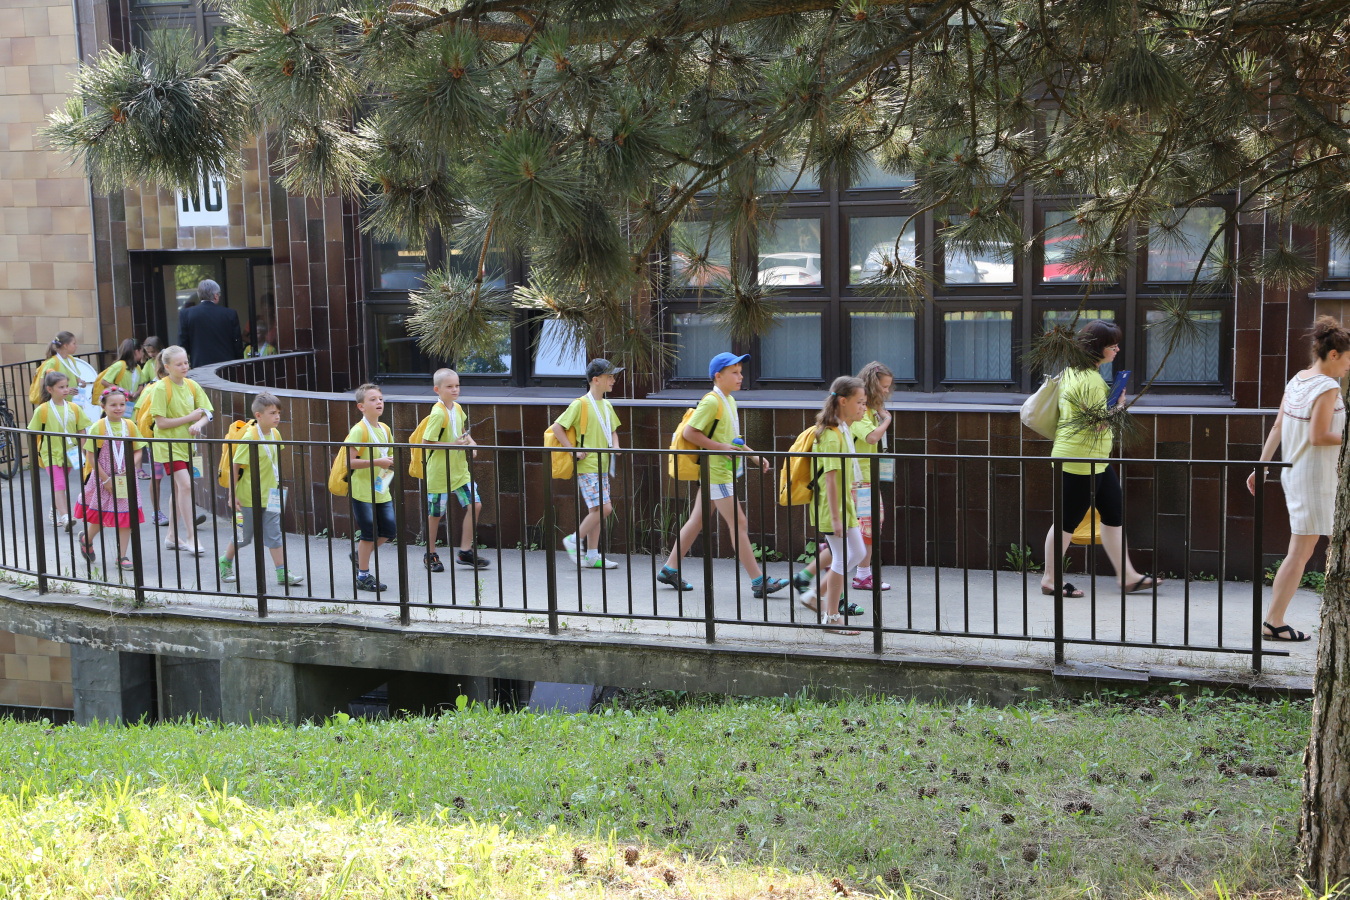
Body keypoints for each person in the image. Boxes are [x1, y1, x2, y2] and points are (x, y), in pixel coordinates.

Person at [1247, 316, 1350, 641]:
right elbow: (1318, 436)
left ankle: (1274, 621)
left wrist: (1262, 466)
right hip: (1318, 481)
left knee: (1301, 552)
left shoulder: (1298, 380)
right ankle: (1274, 621)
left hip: (1300, 476)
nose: (1349, 366)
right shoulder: (1327, 386)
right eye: (1348, 359)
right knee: (1305, 552)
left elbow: (1279, 425)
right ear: (1333, 354)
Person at [657, 352, 790, 598]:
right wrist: (720, 448)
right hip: (716, 473)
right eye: (734, 372)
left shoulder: (728, 400)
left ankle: (669, 569)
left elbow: (732, 439)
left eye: (741, 372)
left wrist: (752, 455)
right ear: (718, 376)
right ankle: (759, 582)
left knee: (697, 521)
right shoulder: (711, 401)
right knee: (739, 523)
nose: (741, 377)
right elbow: (689, 433)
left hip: (718, 471)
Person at [1042, 320, 1159, 598]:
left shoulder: (1072, 371)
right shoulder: (1092, 381)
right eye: (1112, 346)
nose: (1117, 350)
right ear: (1097, 348)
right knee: (1067, 521)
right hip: (1080, 461)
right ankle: (1050, 579)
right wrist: (1119, 406)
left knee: (1113, 513)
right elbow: (1097, 424)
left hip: (1093, 459)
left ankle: (1128, 576)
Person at [791, 361, 895, 603]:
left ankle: (819, 593)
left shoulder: (850, 423)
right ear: (845, 401)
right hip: (857, 486)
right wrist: (886, 421)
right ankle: (835, 597)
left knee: (856, 544)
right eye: (883, 386)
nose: (886, 391)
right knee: (861, 537)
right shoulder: (842, 428)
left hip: (856, 486)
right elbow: (833, 475)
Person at [800, 376, 871, 635]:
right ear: (843, 401)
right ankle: (831, 618)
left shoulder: (842, 430)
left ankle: (813, 596)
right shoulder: (830, 436)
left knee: (857, 553)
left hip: (843, 506)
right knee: (842, 558)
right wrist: (836, 517)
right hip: (833, 509)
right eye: (859, 402)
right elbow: (830, 480)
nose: (864, 407)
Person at [219, 392, 304, 587]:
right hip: (248, 496)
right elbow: (235, 466)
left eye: (278, 413)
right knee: (244, 536)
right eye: (272, 413)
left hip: (272, 493)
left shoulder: (275, 434)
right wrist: (232, 495)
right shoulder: (250, 437)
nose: (277, 417)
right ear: (258, 415)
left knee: (274, 533)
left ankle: (282, 572)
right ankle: (225, 561)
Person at [551, 359, 624, 570]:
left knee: (596, 511)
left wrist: (615, 446)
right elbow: (557, 427)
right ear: (596, 379)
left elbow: (613, 431)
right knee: (604, 508)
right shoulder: (580, 404)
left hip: (602, 465)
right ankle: (574, 540)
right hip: (588, 465)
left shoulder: (606, 405)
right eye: (609, 376)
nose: (613, 380)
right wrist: (573, 450)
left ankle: (592, 556)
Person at [421, 368, 488, 572]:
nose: (455, 389)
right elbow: (426, 443)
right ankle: (430, 553)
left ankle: (465, 550)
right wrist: (454, 444)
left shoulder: (457, 408)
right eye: (449, 386)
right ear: (437, 389)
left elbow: (462, 431)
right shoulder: (437, 413)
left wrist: (471, 443)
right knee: (436, 514)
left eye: (457, 385)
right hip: (440, 472)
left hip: (459, 471)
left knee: (475, 505)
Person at [150, 345, 214, 555]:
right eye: (179, 364)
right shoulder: (161, 388)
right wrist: (190, 418)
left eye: (186, 362)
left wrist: (198, 424)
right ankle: (191, 537)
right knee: (185, 486)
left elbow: (207, 413)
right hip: (168, 446)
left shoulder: (192, 385)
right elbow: (160, 423)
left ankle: (171, 536)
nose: (184, 366)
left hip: (187, 445)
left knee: (180, 489)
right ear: (167, 367)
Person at [74, 387, 145, 570]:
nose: (118, 408)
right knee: (101, 514)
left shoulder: (130, 425)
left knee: (126, 516)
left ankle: (122, 556)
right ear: (103, 406)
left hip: (125, 478)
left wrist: (130, 467)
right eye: (113, 405)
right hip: (103, 475)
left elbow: (138, 450)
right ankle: (87, 539)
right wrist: (105, 479)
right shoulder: (99, 427)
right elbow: (91, 455)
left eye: (122, 404)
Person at [343, 384, 396, 592]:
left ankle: (359, 556)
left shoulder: (385, 429)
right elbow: (350, 462)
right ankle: (363, 575)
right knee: (369, 533)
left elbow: (388, 455)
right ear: (361, 406)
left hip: (381, 488)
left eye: (380, 398)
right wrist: (378, 462)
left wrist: (389, 462)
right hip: (363, 490)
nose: (379, 402)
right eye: (373, 399)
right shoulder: (359, 430)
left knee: (389, 530)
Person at [29, 370, 93, 532]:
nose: (66, 390)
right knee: (59, 483)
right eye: (61, 387)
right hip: (50, 453)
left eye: (66, 386)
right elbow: (32, 432)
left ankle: (54, 510)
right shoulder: (42, 410)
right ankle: (65, 517)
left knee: (60, 484)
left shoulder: (74, 408)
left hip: (70, 453)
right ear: (49, 389)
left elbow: (82, 430)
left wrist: (83, 452)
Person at [177, 279, 244, 367]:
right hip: (226, 365)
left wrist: (186, 363)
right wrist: (239, 363)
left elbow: (183, 343)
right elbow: (237, 342)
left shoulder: (186, 314)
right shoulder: (230, 314)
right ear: (215, 296)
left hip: (199, 365)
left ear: (199, 295)